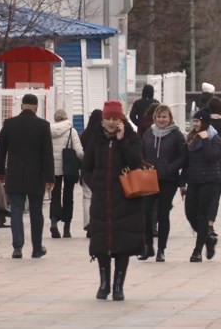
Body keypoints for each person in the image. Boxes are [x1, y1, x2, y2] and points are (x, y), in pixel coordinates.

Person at [83, 101, 143, 300]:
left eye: (115, 118)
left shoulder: (131, 138)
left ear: (121, 120)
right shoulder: (95, 140)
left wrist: (121, 141)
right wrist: (95, 184)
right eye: (108, 118)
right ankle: (104, 284)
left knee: (122, 244)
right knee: (101, 243)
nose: (111, 122)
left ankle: (118, 286)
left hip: (125, 198)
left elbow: (136, 162)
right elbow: (87, 168)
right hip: (101, 199)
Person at [0, 93, 54, 259]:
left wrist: (1, 172)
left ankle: (17, 247)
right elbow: (47, 154)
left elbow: (1, 151)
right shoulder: (43, 126)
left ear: (21, 106)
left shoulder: (9, 124)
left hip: (14, 174)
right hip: (36, 175)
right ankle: (37, 248)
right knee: (36, 211)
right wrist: (50, 178)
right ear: (36, 107)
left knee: (16, 210)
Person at [139, 104, 186, 262]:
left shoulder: (177, 135)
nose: (161, 119)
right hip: (149, 177)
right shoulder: (148, 133)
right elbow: (142, 152)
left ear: (170, 118)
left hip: (168, 179)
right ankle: (148, 246)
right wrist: (144, 164)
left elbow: (183, 157)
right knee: (145, 212)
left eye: (164, 116)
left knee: (162, 213)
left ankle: (161, 249)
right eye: (159, 116)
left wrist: (170, 168)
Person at [181, 110, 221, 262]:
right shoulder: (191, 138)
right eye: (194, 121)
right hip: (193, 181)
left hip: (209, 182)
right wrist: (182, 183)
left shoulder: (214, 138)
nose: (195, 124)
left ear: (205, 122)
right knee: (190, 215)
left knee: (203, 215)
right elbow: (186, 162)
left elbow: (212, 157)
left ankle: (197, 251)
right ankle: (208, 240)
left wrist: (205, 141)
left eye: (198, 121)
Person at [49, 109, 84, 239]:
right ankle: (66, 228)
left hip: (53, 167)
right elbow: (79, 151)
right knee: (68, 196)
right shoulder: (71, 131)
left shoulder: (49, 130)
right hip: (69, 167)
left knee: (55, 194)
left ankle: (54, 221)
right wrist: (83, 160)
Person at [80, 109, 103, 234]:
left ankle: (88, 223)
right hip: (99, 170)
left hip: (87, 170)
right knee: (99, 197)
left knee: (86, 197)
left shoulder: (85, 134)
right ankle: (97, 223)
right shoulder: (101, 135)